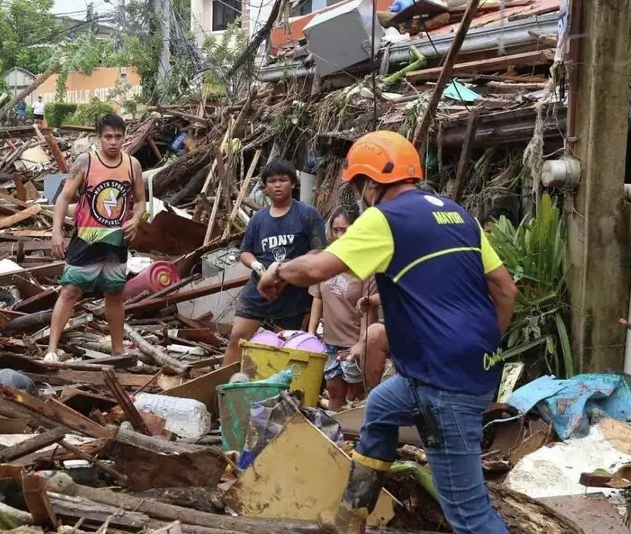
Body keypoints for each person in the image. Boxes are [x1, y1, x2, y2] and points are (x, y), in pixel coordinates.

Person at [257, 130, 518, 534]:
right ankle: (352, 517)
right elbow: (505, 290)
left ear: (371, 184)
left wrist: (275, 270)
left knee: (469, 514)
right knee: (380, 408)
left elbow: (317, 268)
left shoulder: (385, 218)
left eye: (357, 188)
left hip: (443, 381)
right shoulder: (459, 215)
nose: (359, 197)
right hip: (455, 369)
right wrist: (478, 349)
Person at [46, 113, 145, 362]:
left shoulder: (132, 165)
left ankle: (117, 350)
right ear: (99, 137)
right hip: (86, 239)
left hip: (116, 240)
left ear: (124, 137)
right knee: (69, 291)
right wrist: (56, 232)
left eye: (118, 136)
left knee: (114, 295)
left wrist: (135, 219)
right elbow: (64, 197)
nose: (113, 142)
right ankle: (51, 349)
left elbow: (140, 200)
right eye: (108, 136)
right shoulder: (85, 162)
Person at [222, 160, 326, 365]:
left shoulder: (307, 214)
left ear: (293, 183)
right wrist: (258, 267)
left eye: (283, 180)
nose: (277, 185)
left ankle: (280, 383)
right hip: (260, 288)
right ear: (265, 187)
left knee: (287, 346)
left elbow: (319, 250)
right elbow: (245, 252)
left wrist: (289, 270)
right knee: (238, 337)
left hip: (293, 294)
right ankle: (224, 379)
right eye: (272, 181)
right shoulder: (258, 219)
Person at [307, 207, 389, 409]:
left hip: (354, 341)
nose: (339, 235)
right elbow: (317, 298)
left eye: (345, 230)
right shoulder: (326, 261)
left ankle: (360, 427)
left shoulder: (366, 265)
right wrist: (311, 332)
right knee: (334, 391)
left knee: (360, 394)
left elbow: (368, 306)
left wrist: (361, 343)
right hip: (330, 341)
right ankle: (335, 428)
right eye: (335, 230)